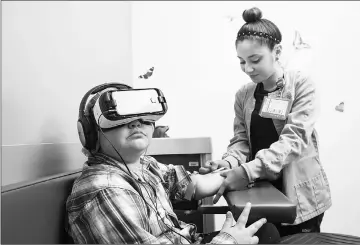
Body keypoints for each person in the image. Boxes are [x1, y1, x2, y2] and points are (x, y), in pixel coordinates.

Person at [66, 83, 267, 244]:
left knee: (266, 232)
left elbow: (191, 185)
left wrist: (240, 173)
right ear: (90, 134)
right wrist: (229, 240)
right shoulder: (106, 190)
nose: (136, 122)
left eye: (143, 117)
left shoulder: (144, 165)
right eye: (119, 118)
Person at [200, 7, 332, 237]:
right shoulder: (244, 94)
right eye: (241, 62)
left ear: (277, 51)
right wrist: (229, 163)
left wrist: (246, 171)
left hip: (299, 196)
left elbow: (293, 140)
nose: (248, 69)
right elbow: (241, 141)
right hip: (260, 193)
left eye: (255, 60)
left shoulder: (301, 85)